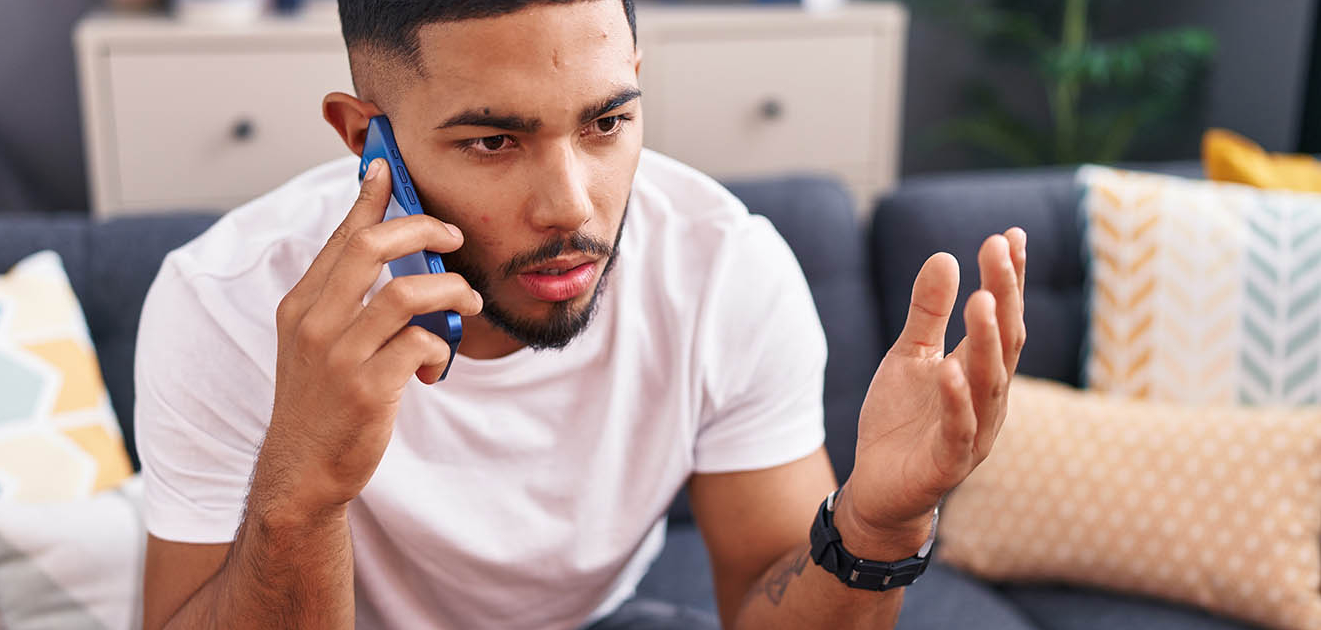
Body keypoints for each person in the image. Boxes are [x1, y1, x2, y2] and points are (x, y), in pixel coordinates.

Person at [135, 1, 1029, 628]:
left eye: (605, 123)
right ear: (364, 136)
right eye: (493, 141)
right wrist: (300, 492)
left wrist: (878, 526)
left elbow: (769, 598)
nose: (571, 207)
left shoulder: (724, 268)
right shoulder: (224, 303)